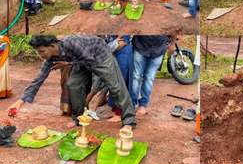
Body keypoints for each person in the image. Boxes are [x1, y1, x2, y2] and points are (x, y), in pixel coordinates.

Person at [8, 35, 136, 130]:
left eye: (42, 51)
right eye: (37, 52)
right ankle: (79, 119)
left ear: (52, 46)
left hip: (100, 56)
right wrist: (20, 102)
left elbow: (89, 60)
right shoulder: (49, 58)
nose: (40, 54)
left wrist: (68, 63)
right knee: (73, 84)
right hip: (80, 61)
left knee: (115, 86)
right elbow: (38, 79)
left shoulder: (71, 43)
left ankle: (129, 121)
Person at [131, 35, 175, 116]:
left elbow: (174, 27)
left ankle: (143, 105)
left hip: (158, 49)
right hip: (140, 45)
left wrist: (172, 44)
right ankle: (132, 105)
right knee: (136, 76)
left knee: (149, 78)